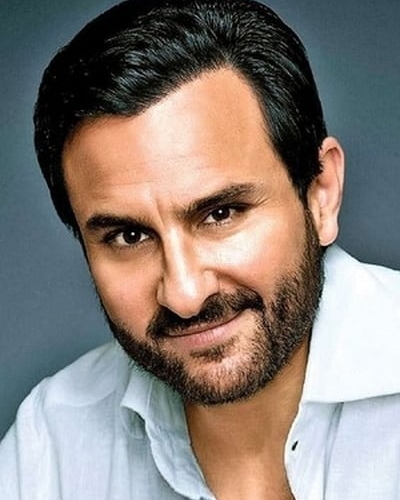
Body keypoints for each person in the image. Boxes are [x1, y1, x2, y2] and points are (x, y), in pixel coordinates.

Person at [1, 0, 399, 498]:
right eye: (129, 236)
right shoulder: (52, 442)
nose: (185, 295)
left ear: (321, 194)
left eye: (221, 214)